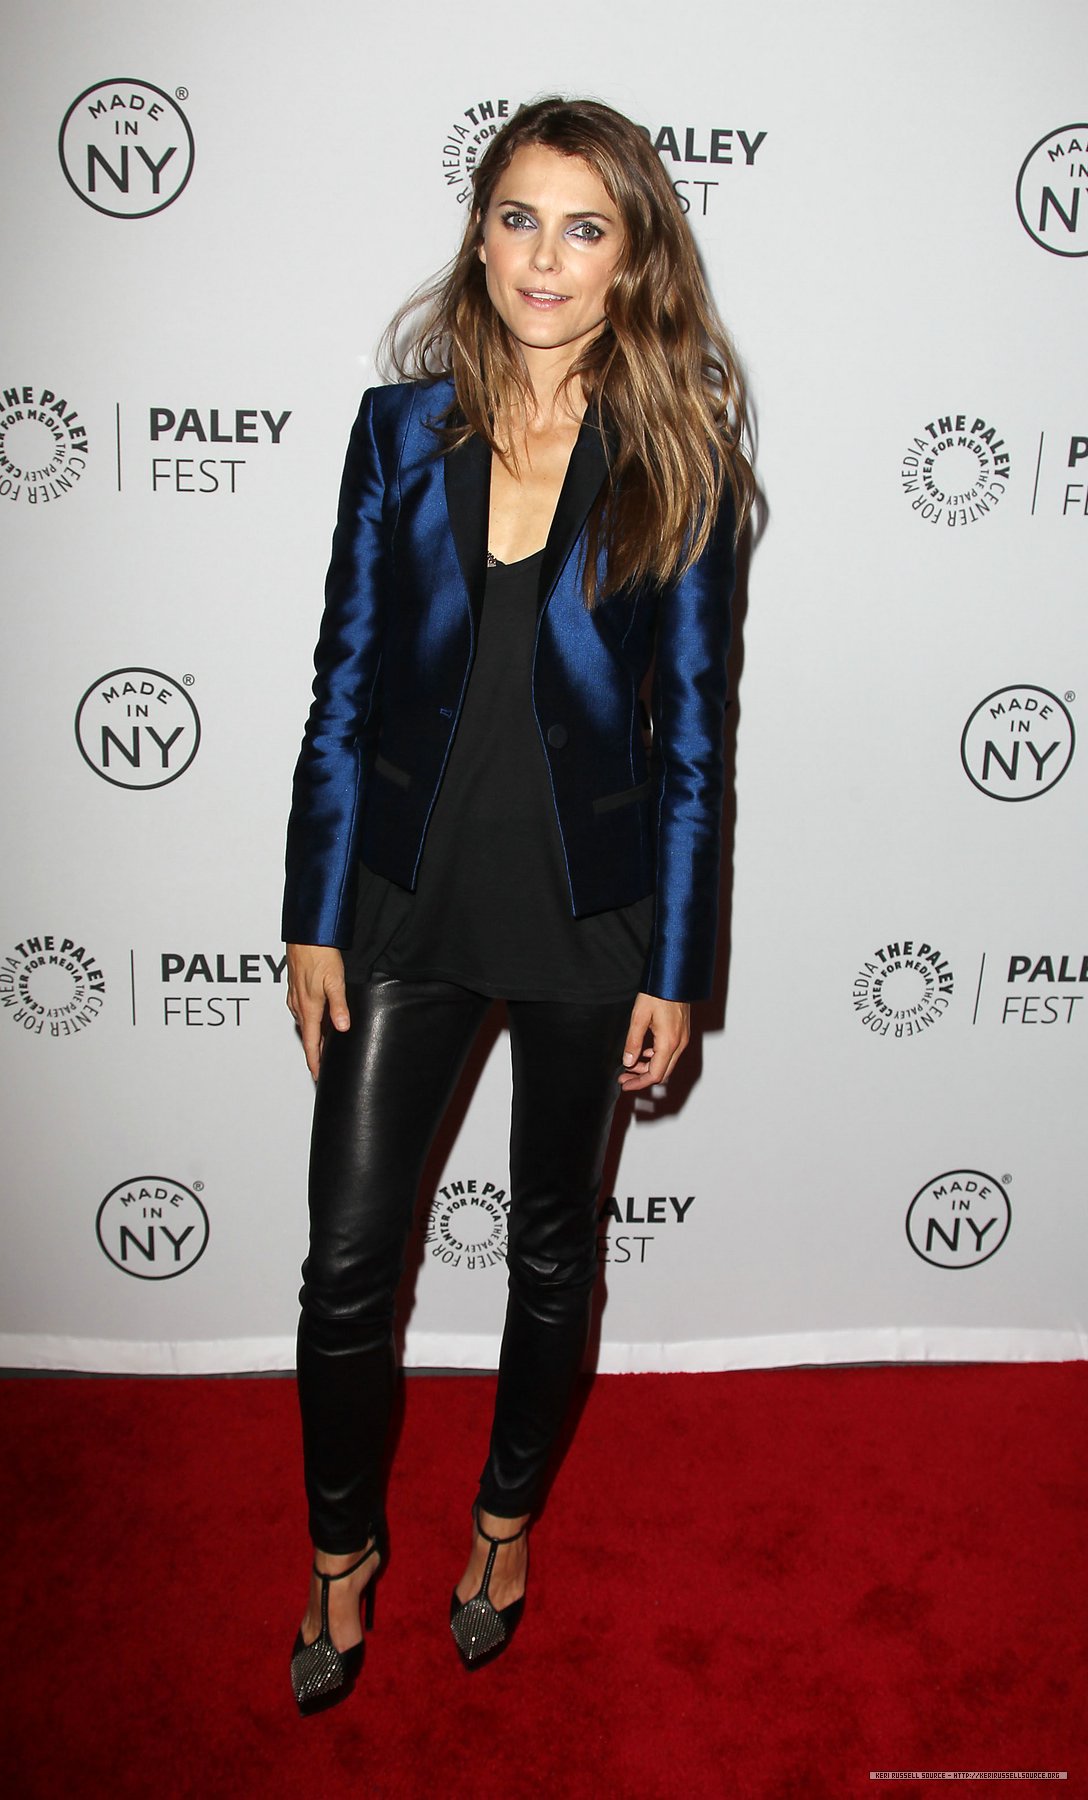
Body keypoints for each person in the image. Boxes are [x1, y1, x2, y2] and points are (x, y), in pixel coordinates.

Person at [281, 95, 754, 1712]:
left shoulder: (679, 458)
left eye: (584, 226)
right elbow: (342, 683)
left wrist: (679, 965)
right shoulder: (394, 430)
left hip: (587, 928)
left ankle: (499, 1525)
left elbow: (695, 739)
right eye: (516, 218)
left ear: (633, 264)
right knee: (350, 1260)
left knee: (552, 1254)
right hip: (404, 907)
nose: (542, 257)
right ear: (479, 233)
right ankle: (343, 1555)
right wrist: (312, 914)